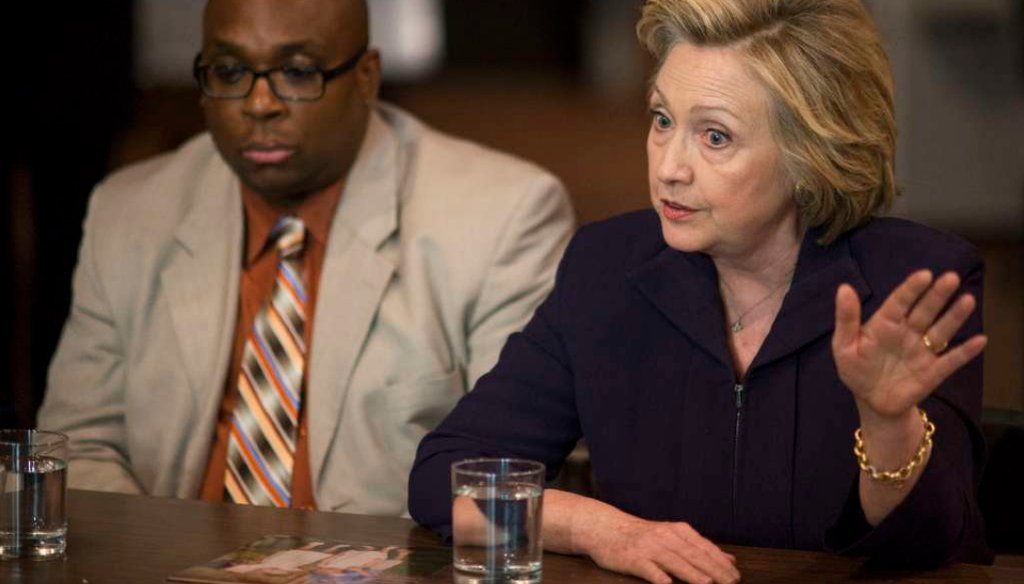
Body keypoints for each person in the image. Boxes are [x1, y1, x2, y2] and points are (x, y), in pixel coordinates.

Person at [408, 0, 992, 582]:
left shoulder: (914, 282)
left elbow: (935, 546)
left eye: (715, 136)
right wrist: (602, 530)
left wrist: (889, 424)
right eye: (662, 120)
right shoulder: (607, 267)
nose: (668, 168)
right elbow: (442, 484)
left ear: (812, 154)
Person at [37, 0, 573, 516]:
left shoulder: (503, 218)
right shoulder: (129, 213)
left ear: (366, 77)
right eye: (228, 71)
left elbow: (502, 477)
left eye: (296, 72)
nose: (259, 103)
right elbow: (79, 447)